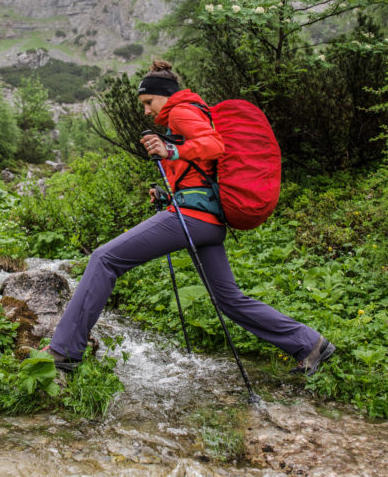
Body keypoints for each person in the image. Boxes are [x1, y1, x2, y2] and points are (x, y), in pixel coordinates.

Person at [44, 60, 335, 376]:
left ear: (165, 95)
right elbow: (200, 174)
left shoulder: (183, 112)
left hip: (192, 220)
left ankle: (65, 350)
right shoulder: (191, 113)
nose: (145, 111)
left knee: (104, 259)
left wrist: (170, 152)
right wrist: (167, 192)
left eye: (148, 103)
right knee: (230, 300)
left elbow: (213, 146)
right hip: (208, 223)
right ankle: (310, 344)